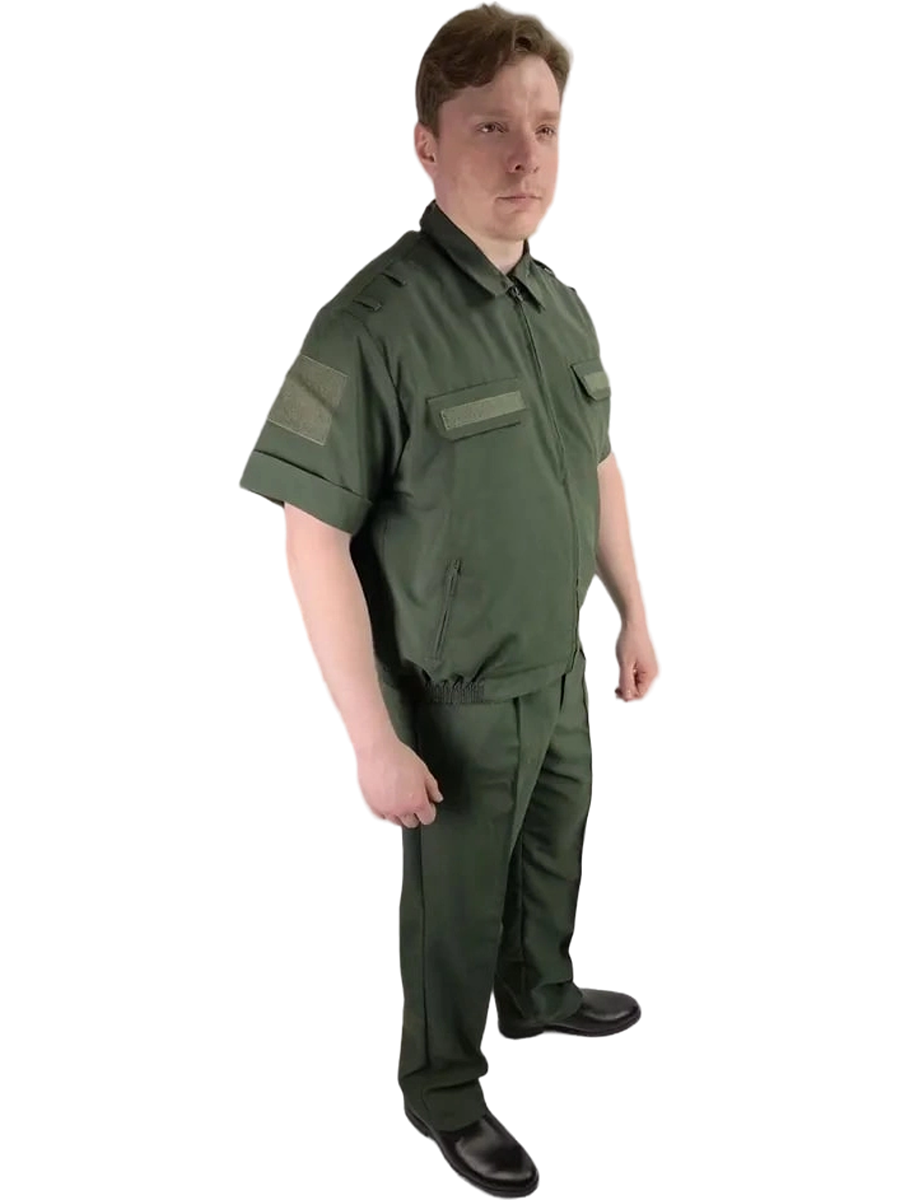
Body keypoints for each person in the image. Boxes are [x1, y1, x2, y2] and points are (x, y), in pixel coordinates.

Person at [239, 5, 658, 1195]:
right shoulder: (370, 327)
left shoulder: (557, 304)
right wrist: (372, 740)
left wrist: (632, 609)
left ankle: (540, 991)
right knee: (453, 910)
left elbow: (596, 462)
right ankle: (443, 1088)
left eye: (546, 128)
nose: (527, 157)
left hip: (556, 671)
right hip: (456, 698)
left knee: (555, 856)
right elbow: (312, 534)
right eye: (490, 128)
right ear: (426, 143)